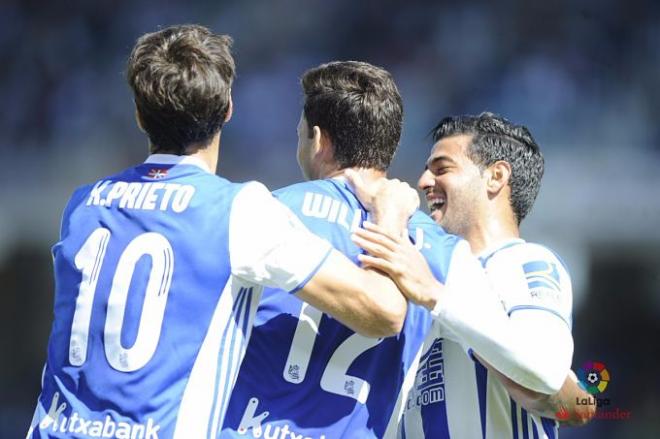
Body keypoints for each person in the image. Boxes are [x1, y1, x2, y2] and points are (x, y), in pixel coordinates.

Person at [26, 25, 422, 439]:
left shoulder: (83, 204)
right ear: (228, 108)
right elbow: (385, 312)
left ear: (139, 115)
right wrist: (389, 214)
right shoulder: (239, 211)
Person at [219, 60, 454, 438]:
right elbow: (543, 379)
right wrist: (587, 391)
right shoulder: (440, 247)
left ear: (318, 140)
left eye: (299, 136)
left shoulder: (264, 213)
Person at [352, 112, 596, 438]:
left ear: (495, 177)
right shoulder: (418, 275)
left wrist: (434, 294)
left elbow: (547, 370)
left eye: (442, 168)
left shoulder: (524, 261)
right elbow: (575, 401)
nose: (423, 181)